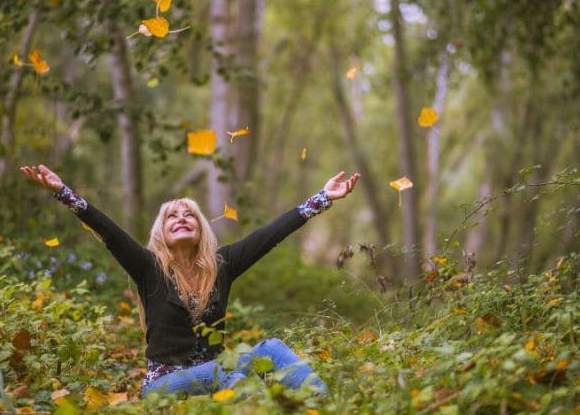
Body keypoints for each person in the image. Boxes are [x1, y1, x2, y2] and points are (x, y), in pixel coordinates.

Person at [20, 164, 360, 398]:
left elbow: (270, 234)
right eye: (172, 216)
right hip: (164, 384)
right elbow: (108, 232)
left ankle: (324, 406)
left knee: (268, 350)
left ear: (200, 230)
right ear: (162, 233)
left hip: (219, 372)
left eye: (189, 215)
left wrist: (323, 197)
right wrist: (63, 192)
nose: (181, 218)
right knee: (230, 376)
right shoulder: (149, 267)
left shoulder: (222, 265)